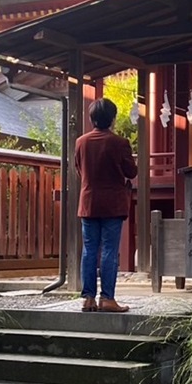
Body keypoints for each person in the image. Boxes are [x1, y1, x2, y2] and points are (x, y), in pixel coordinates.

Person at [75, 97, 138, 312]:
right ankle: (108, 298)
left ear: (92, 118)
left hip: (89, 202)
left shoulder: (81, 142)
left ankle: (88, 298)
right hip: (112, 204)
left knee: (89, 249)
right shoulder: (119, 143)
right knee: (110, 249)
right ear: (112, 118)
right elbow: (131, 171)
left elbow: (79, 170)